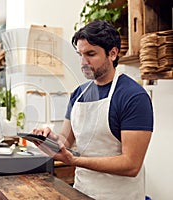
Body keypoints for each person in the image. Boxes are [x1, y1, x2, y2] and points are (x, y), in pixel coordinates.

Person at [33, 20, 154, 200]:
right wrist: (49, 140)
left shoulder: (133, 96)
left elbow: (131, 165)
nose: (83, 62)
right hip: (82, 191)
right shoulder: (79, 94)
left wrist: (75, 161)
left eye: (90, 54)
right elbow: (66, 141)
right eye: (80, 54)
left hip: (119, 196)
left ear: (112, 53)